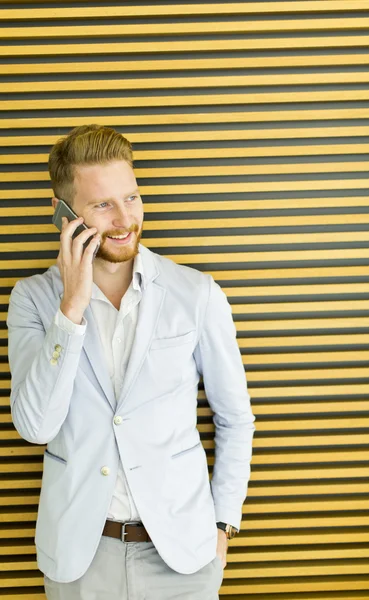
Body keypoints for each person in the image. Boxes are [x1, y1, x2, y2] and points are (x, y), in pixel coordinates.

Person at [7, 125, 255, 600]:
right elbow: (36, 426)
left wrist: (224, 523)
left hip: (183, 556)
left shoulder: (196, 294)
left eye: (132, 197)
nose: (125, 219)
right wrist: (71, 309)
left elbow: (235, 418)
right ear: (64, 214)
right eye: (102, 205)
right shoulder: (33, 302)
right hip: (80, 556)